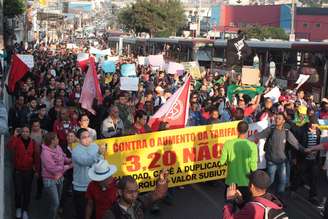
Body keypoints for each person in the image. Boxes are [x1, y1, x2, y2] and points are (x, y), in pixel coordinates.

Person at [253, 112, 305, 196]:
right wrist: (247, 139)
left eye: (279, 118)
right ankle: (265, 195)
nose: (277, 120)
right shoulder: (271, 129)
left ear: (283, 121)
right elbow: (259, 135)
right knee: (270, 180)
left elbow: (295, 143)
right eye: (276, 118)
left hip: (282, 161)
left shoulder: (286, 132)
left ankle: (280, 198)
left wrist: (304, 149)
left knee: (283, 180)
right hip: (271, 161)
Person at [102, 169, 169, 219]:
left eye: (136, 191)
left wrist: (162, 180)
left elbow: (158, 194)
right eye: (130, 192)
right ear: (120, 192)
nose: (134, 195)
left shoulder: (139, 202)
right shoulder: (111, 214)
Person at [72, 128, 106, 219]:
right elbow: (85, 162)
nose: (87, 139)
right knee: (83, 214)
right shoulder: (75, 151)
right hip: (81, 187)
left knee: (94, 212)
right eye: (84, 137)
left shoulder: (95, 146)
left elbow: (101, 160)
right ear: (78, 139)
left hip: (94, 185)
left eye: (88, 136)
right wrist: (98, 154)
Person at [220, 121, 258, 202]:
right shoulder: (253, 146)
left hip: (231, 181)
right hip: (245, 182)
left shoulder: (227, 144)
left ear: (237, 130)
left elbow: (222, 162)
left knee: (230, 207)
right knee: (245, 209)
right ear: (248, 130)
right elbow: (253, 167)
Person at [7, 125, 39, 219]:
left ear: (29, 133)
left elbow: (36, 157)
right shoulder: (16, 140)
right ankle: (18, 208)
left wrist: (36, 170)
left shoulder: (33, 142)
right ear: (21, 132)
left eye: (27, 131)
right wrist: (14, 135)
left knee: (27, 191)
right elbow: (9, 146)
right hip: (18, 170)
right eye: (23, 131)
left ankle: (25, 210)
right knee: (18, 191)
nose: (25, 133)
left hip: (29, 171)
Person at [41, 132, 72, 219]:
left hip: (59, 178)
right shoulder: (45, 154)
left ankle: (54, 214)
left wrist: (69, 160)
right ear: (52, 141)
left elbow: (63, 157)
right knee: (56, 202)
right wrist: (68, 166)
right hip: (49, 180)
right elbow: (52, 169)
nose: (58, 140)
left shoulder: (57, 147)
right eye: (56, 138)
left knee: (57, 199)